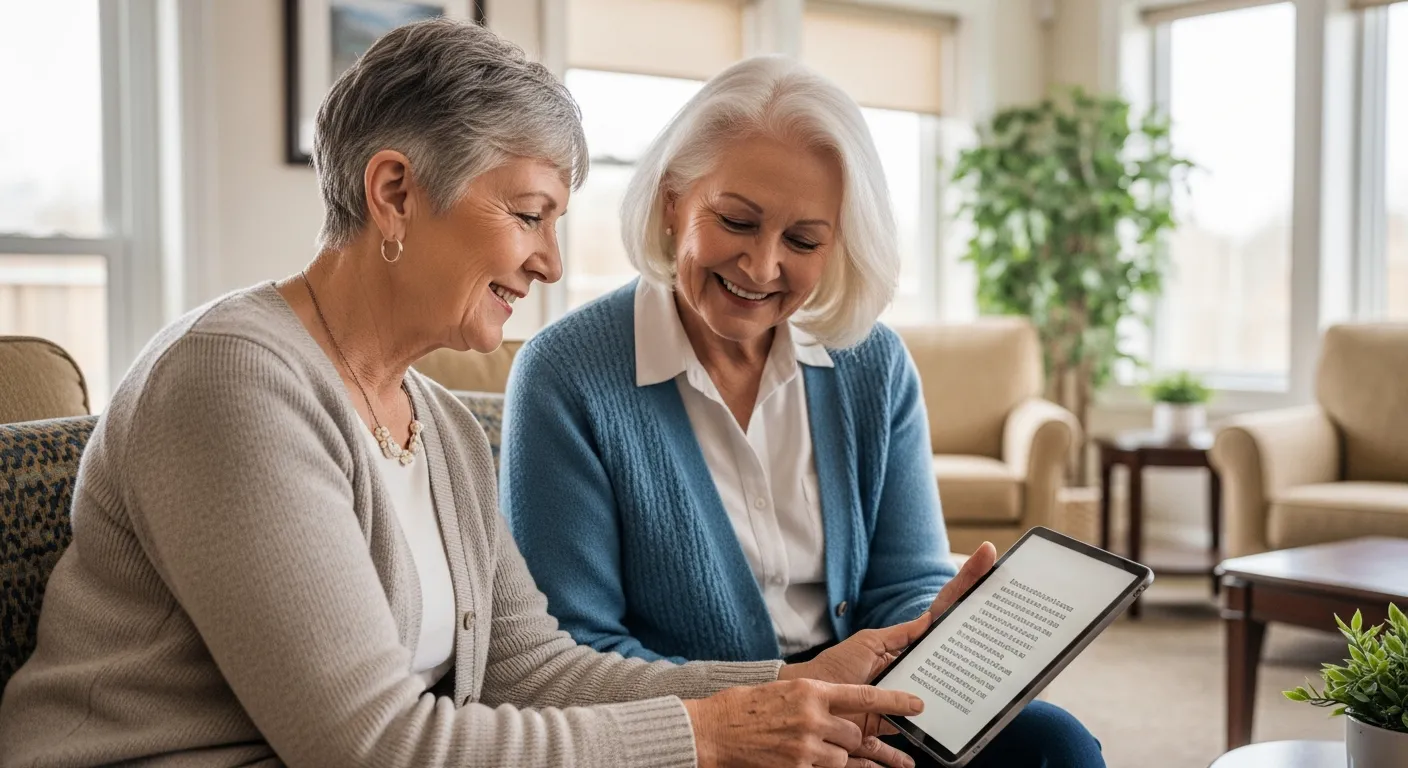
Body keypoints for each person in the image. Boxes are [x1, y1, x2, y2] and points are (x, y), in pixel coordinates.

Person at [0, 20, 964, 768]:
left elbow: (532, 670)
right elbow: (373, 747)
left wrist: (789, 685)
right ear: (394, 192)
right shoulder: (233, 384)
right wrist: (709, 736)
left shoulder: (444, 427)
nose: (549, 261)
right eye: (529, 215)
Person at [500, 55, 1104, 767]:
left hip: (861, 712)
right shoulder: (566, 375)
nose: (760, 267)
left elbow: (902, 582)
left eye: (803, 240)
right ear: (672, 201)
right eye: (736, 221)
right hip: (697, 734)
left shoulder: (872, 364)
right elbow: (571, 656)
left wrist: (940, 633)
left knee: (1055, 744)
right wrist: (781, 694)